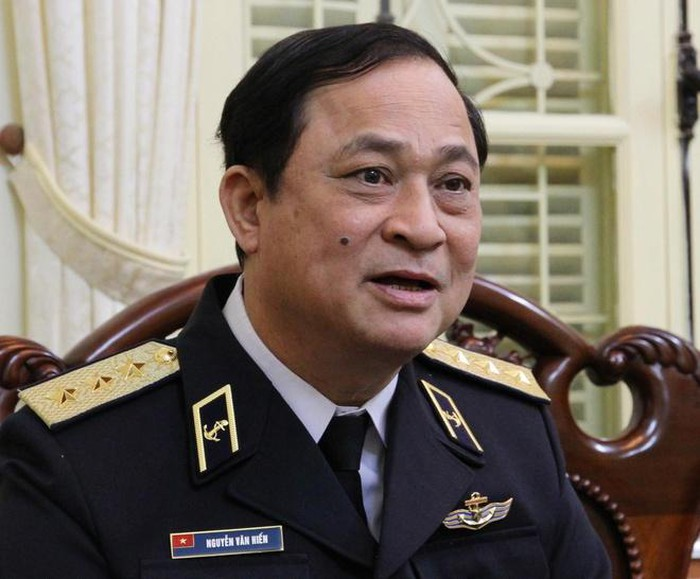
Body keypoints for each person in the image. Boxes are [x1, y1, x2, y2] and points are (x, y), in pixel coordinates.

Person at [0, 23, 610, 578]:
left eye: (453, 185)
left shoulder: (509, 427)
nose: (423, 228)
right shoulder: (78, 457)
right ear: (249, 208)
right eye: (372, 175)